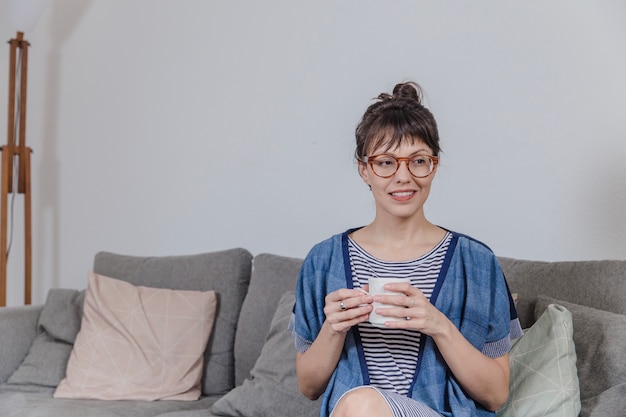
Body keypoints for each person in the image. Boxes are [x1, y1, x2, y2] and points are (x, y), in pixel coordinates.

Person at [290, 81, 523, 417]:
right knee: (361, 405)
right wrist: (334, 328)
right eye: (386, 162)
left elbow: (496, 395)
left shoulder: (476, 261)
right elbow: (309, 387)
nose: (403, 176)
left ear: (434, 165)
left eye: (418, 160)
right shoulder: (322, 262)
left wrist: (437, 324)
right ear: (364, 169)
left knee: (362, 405)